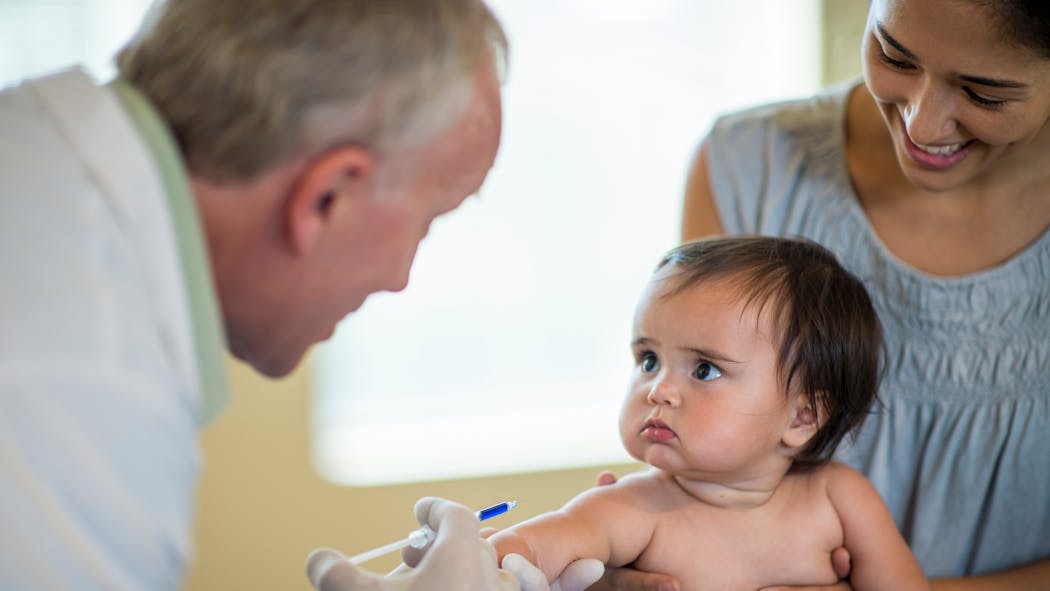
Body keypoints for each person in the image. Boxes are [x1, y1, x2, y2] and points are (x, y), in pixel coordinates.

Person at [0, 1, 570, 589]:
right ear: (328, 198)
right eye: (427, 220)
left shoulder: (37, 165)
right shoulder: (77, 383)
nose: (400, 279)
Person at [601, 0, 1048, 589]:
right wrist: (628, 553)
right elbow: (701, 445)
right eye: (893, 55)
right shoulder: (747, 166)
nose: (921, 123)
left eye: (984, 94)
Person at [488, 236, 928, 591]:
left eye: (704, 369)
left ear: (802, 418)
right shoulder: (637, 506)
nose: (659, 390)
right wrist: (473, 557)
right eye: (648, 360)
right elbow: (542, 542)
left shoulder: (839, 498)